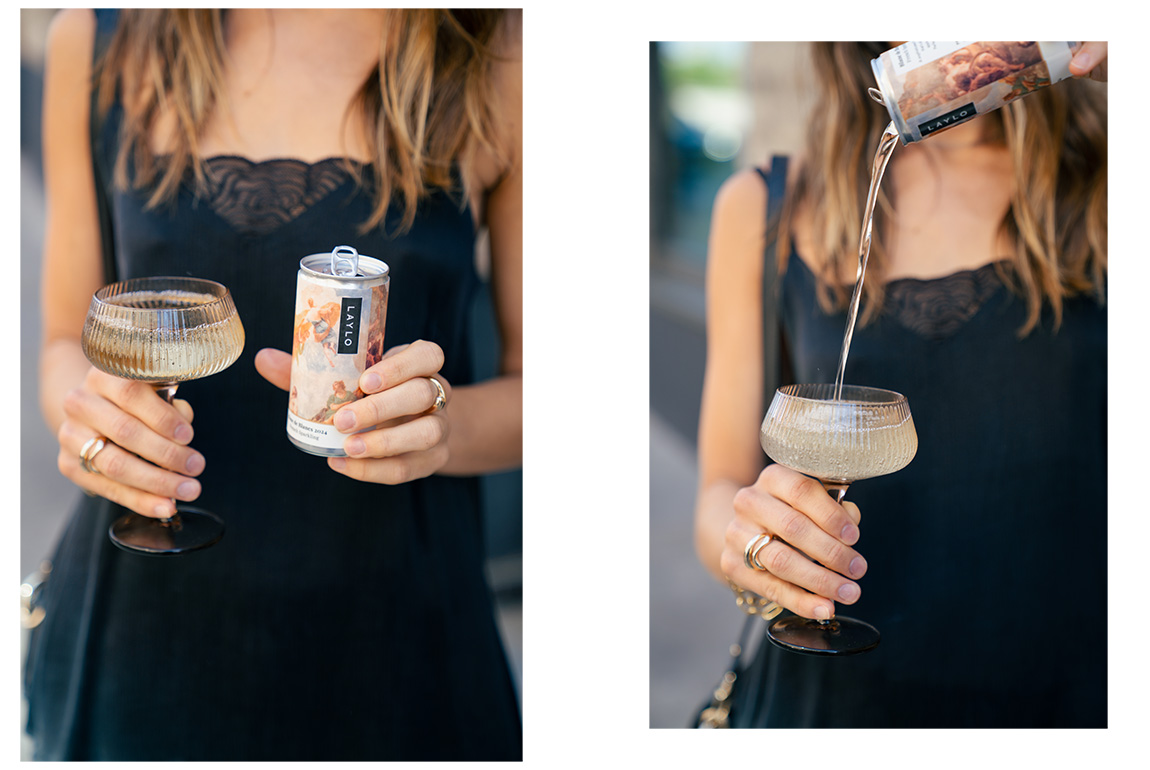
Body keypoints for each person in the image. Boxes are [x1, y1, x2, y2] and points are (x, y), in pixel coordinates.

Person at [27, 8, 522, 760]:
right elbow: (66, 339)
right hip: (139, 629)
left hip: (395, 641)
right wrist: (92, 427)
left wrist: (440, 426)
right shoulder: (97, 40)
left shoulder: (499, 54)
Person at [694, 42, 1106, 728]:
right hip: (829, 707)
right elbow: (719, 492)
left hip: (1068, 695)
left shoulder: (1105, 183)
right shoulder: (765, 204)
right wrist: (753, 545)